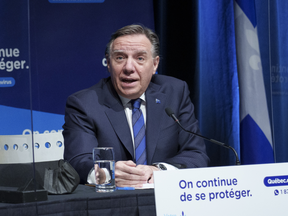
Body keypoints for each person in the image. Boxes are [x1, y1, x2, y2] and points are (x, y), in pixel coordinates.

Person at [63, 24, 209, 187]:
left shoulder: (175, 92)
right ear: (109, 63)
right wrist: (106, 172)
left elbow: (196, 154)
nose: (129, 68)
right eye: (120, 58)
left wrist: (159, 171)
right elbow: (77, 160)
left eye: (140, 58)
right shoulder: (84, 104)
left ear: (155, 64)